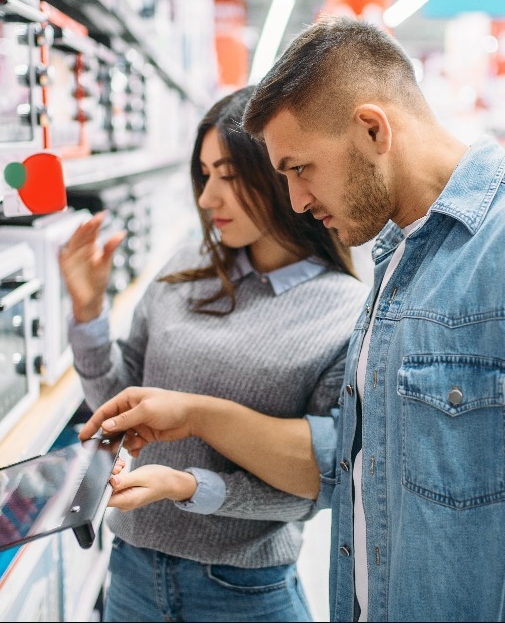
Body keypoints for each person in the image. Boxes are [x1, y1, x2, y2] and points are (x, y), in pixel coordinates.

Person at [80, 17, 505, 622]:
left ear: (373, 129)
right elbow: (347, 461)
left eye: (299, 169)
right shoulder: (400, 260)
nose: (294, 200)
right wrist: (194, 415)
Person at [59, 85, 368, 622]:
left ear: (278, 169)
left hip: (243, 591)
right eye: (205, 176)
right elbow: (119, 404)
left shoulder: (344, 311)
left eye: (227, 175)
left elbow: (317, 485)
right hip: (131, 574)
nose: (208, 199)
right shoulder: (186, 270)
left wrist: (191, 486)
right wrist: (89, 314)